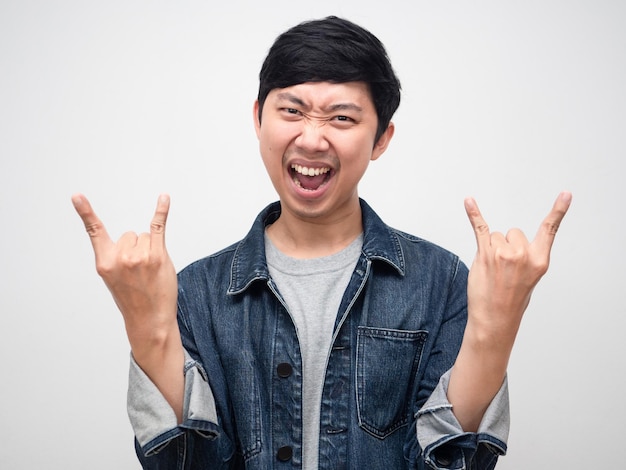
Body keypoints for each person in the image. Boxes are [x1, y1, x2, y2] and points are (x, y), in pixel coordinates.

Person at [72, 16, 571, 470]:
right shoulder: (196, 292)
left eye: (342, 118)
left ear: (381, 139)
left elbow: (451, 466)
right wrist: (146, 326)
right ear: (258, 118)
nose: (312, 139)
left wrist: (497, 329)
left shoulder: (441, 282)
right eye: (292, 110)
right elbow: (186, 466)